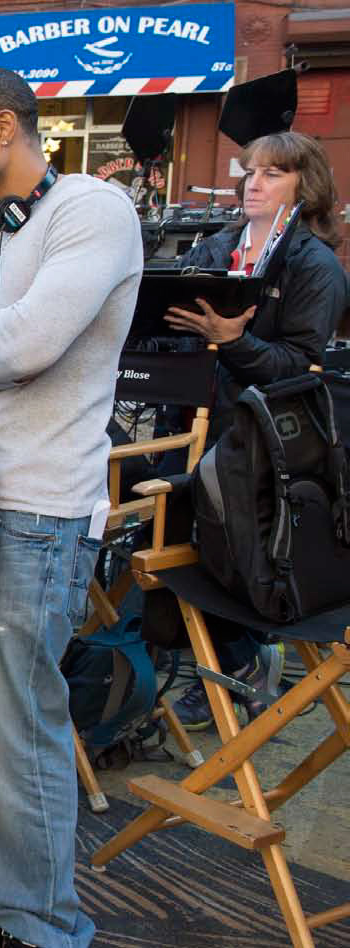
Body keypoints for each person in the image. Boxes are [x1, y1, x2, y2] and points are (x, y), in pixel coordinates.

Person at [0, 69, 142, 948]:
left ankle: (45, 923)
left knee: (26, 725)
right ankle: (10, 878)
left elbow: (34, 342)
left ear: (6, 128)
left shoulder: (93, 210)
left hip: (44, 512)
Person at [164, 130, 347, 731]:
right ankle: (202, 658)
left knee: (231, 549)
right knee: (174, 539)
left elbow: (299, 367)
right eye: (250, 171)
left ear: (305, 185)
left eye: (273, 173)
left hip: (261, 440)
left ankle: (243, 660)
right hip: (188, 415)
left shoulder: (313, 265)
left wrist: (234, 341)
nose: (254, 183)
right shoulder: (216, 246)